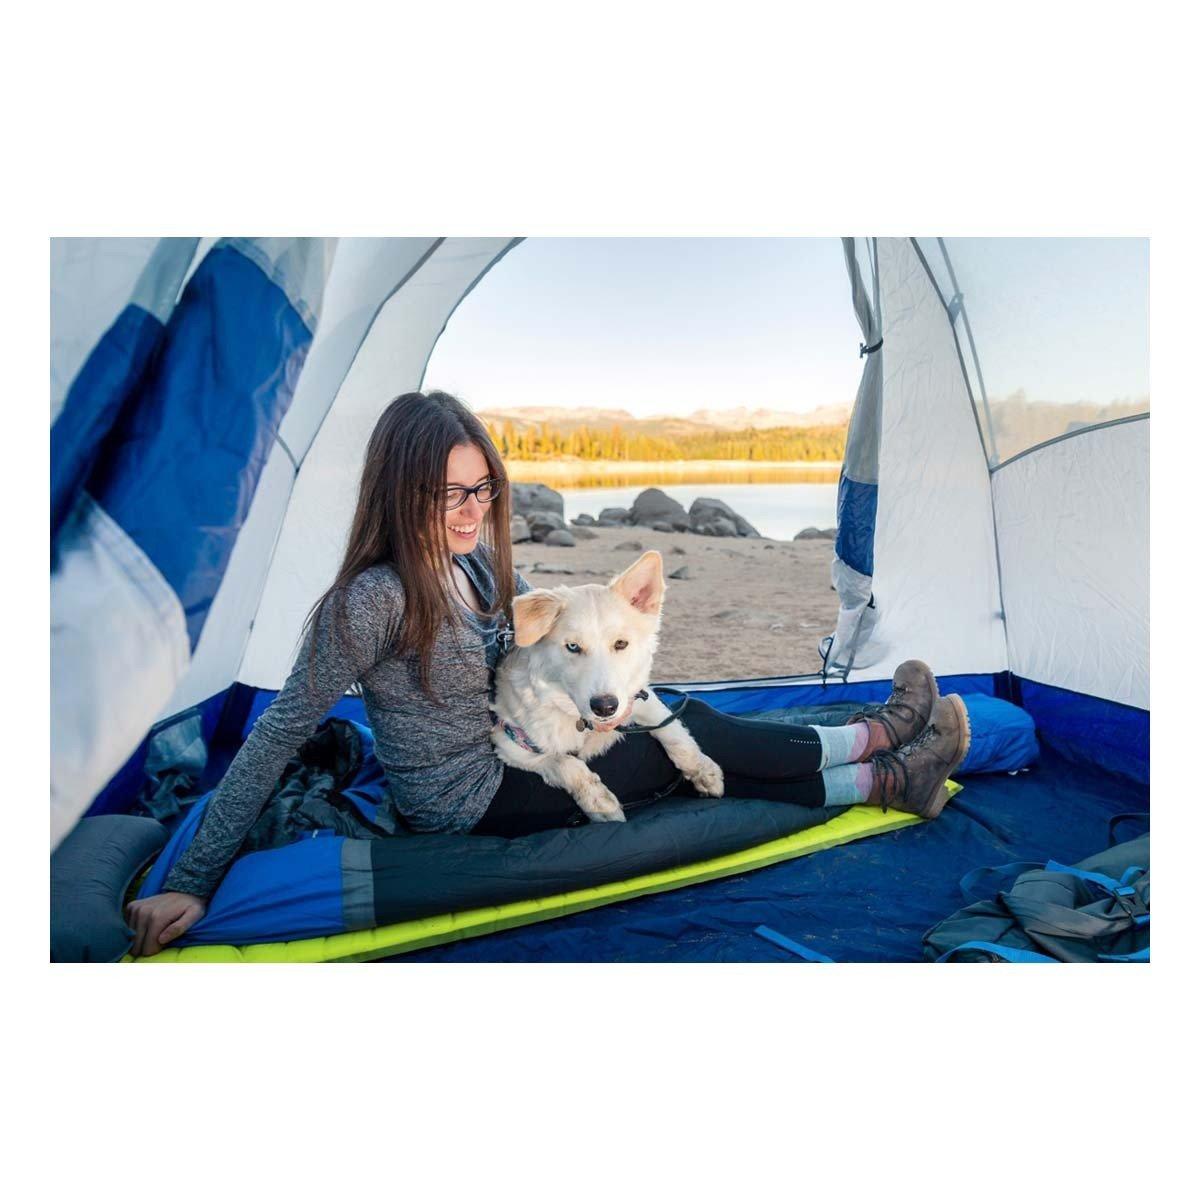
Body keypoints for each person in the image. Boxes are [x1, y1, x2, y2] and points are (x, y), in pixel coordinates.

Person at [126, 391, 968, 956]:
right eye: (447, 494)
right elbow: (279, 732)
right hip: (469, 793)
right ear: (399, 492)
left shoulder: (480, 566)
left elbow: (564, 627)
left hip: (531, 740)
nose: (471, 512)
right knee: (687, 743)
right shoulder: (373, 600)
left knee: (676, 721)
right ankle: (881, 754)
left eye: (482, 490)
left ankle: (884, 764)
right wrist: (193, 881)